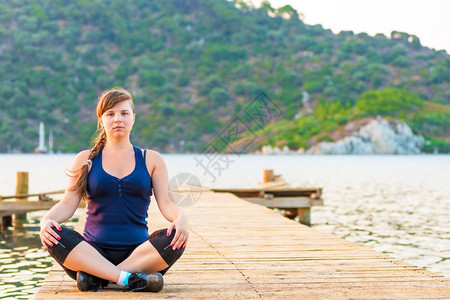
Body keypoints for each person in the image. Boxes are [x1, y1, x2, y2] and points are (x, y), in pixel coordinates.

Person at [39, 87, 188, 292]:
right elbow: (67, 203)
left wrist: (181, 218)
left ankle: (98, 277)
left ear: (133, 118)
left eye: (124, 113)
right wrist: (45, 221)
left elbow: (167, 203)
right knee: (53, 234)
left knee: (176, 239)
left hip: (139, 253)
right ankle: (130, 279)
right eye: (110, 114)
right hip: (91, 252)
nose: (118, 119)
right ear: (101, 120)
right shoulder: (85, 160)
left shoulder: (152, 159)